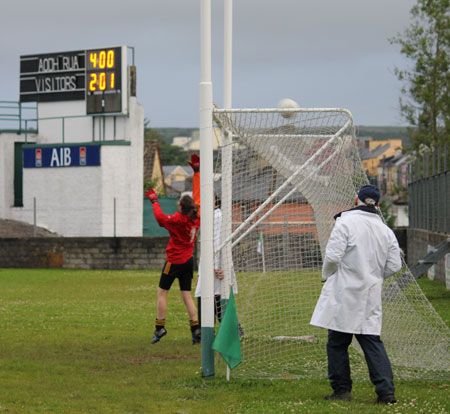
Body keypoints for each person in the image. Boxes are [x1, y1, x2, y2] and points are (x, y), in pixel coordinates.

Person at [310, 184, 402, 404]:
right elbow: (395, 265)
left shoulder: (345, 223)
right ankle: (386, 391)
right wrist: (375, 277)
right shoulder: (385, 230)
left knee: (337, 343)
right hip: (369, 294)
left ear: (355, 200)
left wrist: (328, 275)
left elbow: (332, 258)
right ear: (377, 204)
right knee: (371, 341)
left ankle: (341, 390)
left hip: (344, 292)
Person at [145, 188, 201, 345]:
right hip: (189, 260)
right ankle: (195, 328)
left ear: (182, 208)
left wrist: (154, 201)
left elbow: (160, 218)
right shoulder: (196, 219)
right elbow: (198, 200)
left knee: (162, 293)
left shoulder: (178, 220)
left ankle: (160, 327)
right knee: (187, 295)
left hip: (174, 261)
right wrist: (196, 172)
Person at [188, 154, 238, 327]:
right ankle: (206, 331)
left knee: (215, 298)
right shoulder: (209, 214)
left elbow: (219, 242)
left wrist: (219, 266)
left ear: (215, 200)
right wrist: (196, 173)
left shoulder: (217, 216)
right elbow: (197, 199)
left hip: (217, 265)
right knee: (206, 296)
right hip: (210, 264)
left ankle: (231, 330)